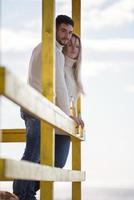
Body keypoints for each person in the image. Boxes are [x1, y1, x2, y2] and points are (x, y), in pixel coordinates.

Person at [13, 15, 84, 200]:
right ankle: (22, 194)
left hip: (36, 108)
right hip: (36, 109)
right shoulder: (53, 51)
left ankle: (25, 193)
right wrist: (68, 116)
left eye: (70, 32)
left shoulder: (42, 47)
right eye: (63, 31)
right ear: (54, 28)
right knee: (32, 155)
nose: (67, 36)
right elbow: (60, 87)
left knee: (36, 156)